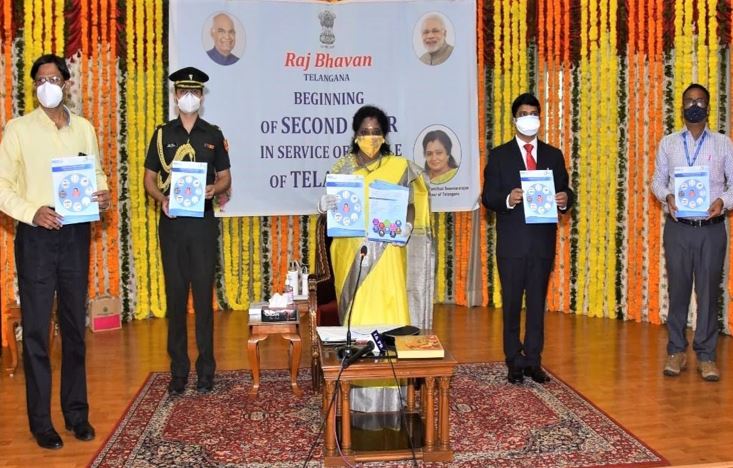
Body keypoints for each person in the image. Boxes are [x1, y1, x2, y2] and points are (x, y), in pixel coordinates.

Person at [0, 54, 110, 449]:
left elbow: (95, 171)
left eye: (53, 78)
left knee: (74, 330)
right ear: (34, 87)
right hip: (37, 238)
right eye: (39, 79)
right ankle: (40, 422)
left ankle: (76, 415)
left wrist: (103, 193)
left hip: (76, 234)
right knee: (36, 332)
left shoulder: (83, 128)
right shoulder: (18, 130)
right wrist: (33, 212)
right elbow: (2, 186)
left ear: (66, 83)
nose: (46, 84)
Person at [318, 105, 434, 412]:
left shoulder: (399, 167)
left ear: (385, 136)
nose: (371, 137)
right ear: (355, 135)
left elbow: (412, 203)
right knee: (358, 322)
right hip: (351, 256)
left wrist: (407, 224)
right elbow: (335, 210)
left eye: (376, 132)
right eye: (365, 132)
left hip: (388, 257)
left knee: (389, 322)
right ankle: (355, 401)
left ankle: (392, 402)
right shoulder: (341, 168)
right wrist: (324, 204)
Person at [143, 67, 232, 395]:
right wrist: (162, 197)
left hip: (203, 226)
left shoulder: (213, 133)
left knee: (204, 299)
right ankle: (179, 370)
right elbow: (148, 179)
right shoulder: (162, 134)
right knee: (176, 299)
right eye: (183, 91)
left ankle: (206, 369)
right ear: (176, 95)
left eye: (195, 91)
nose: (189, 96)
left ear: (202, 96)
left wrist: (214, 188)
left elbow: (225, 177)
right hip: (173, 225)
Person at [481, 93, 574, 385]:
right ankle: (514, 360)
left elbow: (567, 192)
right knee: (511, 304)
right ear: (514, 119)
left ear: (540, 118)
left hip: (542, 242)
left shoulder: (553, 155)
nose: (529, 117)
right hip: (512, 243)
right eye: (523, 113)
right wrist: (508, 198)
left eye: (534, 112)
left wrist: (563, 200)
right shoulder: (499, 155)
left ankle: (534, 360)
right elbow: (488, 197)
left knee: (536, 305)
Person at [651, 83, 733, 382]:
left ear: (708, 107)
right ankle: (676, 350)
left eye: (699, 101)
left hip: (711, 229)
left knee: (709, 292)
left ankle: (707, 355)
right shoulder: (669, 143)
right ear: (682, 106)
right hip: (678, 229)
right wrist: (667, 196)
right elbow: (657, 181)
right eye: (689, 101)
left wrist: (723, 201)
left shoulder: (724, 143)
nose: (694, 105)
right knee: (679, 290)